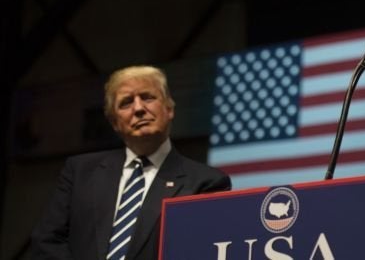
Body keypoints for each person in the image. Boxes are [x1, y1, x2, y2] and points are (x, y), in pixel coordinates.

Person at [30, 65, 231, 260]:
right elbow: (47, 241)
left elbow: (204, 252)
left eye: (148, 97)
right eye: (126, 102)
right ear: (115, 122)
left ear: (169, 109)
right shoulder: (80, 171)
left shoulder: (207, 182)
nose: (138, 108)